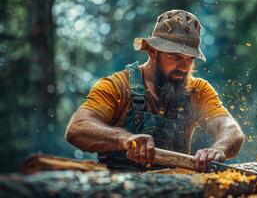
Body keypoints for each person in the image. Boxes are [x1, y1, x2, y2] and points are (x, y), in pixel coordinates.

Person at [65, 9, 244, 172]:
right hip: (117, 187)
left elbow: (231, 129)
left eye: (189, 59)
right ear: (152, 51)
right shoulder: (117, 86)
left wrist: (218, 149)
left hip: (176, 188)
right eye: (174, 57)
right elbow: (77, 128)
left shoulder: (197, 90)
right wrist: (124, 139)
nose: (183, 67)